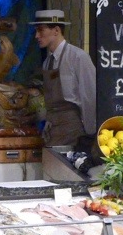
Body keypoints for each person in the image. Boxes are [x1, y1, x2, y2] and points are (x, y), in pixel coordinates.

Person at [31, 9, 97, 149]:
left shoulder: (78, 57)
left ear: (56, 30)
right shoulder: (47, 63)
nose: (36, 36)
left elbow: (90, 97)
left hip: (73, 130)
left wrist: (91, 134)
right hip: (53, 129)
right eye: (36, 30)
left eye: (41, 30)